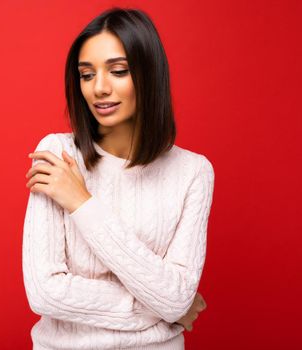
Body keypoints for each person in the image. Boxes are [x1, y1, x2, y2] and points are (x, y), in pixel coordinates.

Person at [22, 7, 214, 350]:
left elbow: (176, 298)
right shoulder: (59, 155)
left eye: (118, 71)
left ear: (149, 74)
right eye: (86, 74)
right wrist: (164, 307)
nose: (99, 88)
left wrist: (82, 202)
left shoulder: (193, 172)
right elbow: (45, 293)